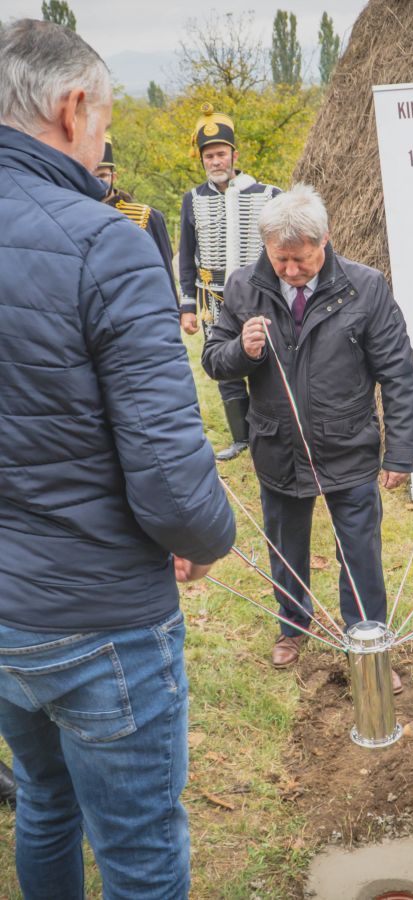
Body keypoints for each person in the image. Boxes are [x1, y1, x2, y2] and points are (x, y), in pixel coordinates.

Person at [0, 19, 235, 899]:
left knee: (45, 802)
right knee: (138, 852)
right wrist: (205, 539)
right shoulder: (105, 243)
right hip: (96, 616)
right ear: (72, 109)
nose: (104, 142)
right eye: (103, 121)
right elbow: (174, 481)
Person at [202, 184, 413, 689]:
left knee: (359, 552)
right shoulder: (242, 287)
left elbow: (398, 372)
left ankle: (366, 642)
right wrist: (241, 350)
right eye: (280, 259)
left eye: (300, 259)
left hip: (349, 444)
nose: (291, 270)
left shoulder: (366, 287)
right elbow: (213, 359)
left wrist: (401, 451)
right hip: (277, 445)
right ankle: (292, 625)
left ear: (325, 239)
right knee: (285, 546)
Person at [179, 104, 280, 461]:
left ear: (234, 155)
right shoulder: (193, 200)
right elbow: (187, 255)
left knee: (267, 359)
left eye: (221, 154)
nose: (215, 161)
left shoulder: (269, 195)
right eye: (209, 156)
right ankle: (241, 438)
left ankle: (273, 432)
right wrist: (187, 306)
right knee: (225, 364)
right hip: (214, 299)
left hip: (259, 295)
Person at [94, 132, 178, 300]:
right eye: (92, 175)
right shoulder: (75, 215)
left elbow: (164, 275)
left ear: (114, 176)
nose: (98, 182)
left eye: (103, 175)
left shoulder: (145, 217)